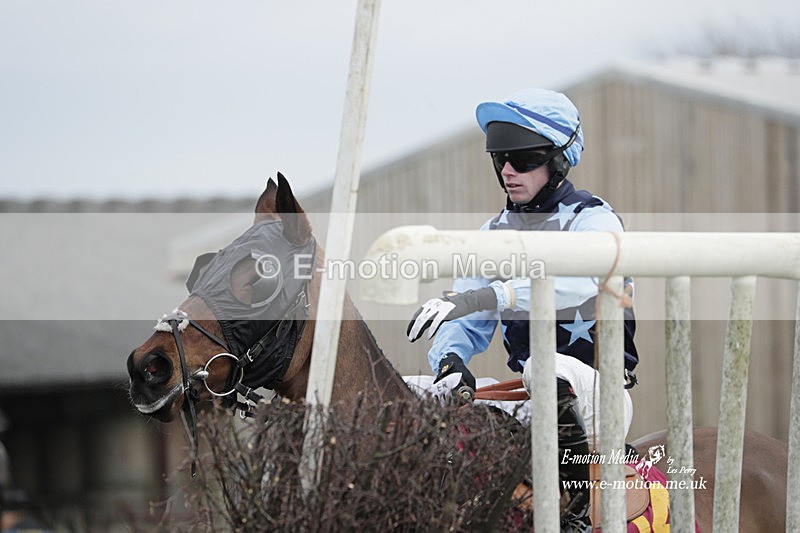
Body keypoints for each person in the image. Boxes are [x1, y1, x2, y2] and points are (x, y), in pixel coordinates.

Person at [406, 88, 639, 532]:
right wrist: (450, 362)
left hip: (598, 395)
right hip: (532, 401)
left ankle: (574, 514)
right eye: (500, 159)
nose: (508, 171)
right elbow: (466, 319)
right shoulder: (491, 232)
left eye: (523, 159)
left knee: (544, 366)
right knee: (403, 390)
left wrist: (487, 296)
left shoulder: (594, 219)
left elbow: (578, 278)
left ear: (559, 160)